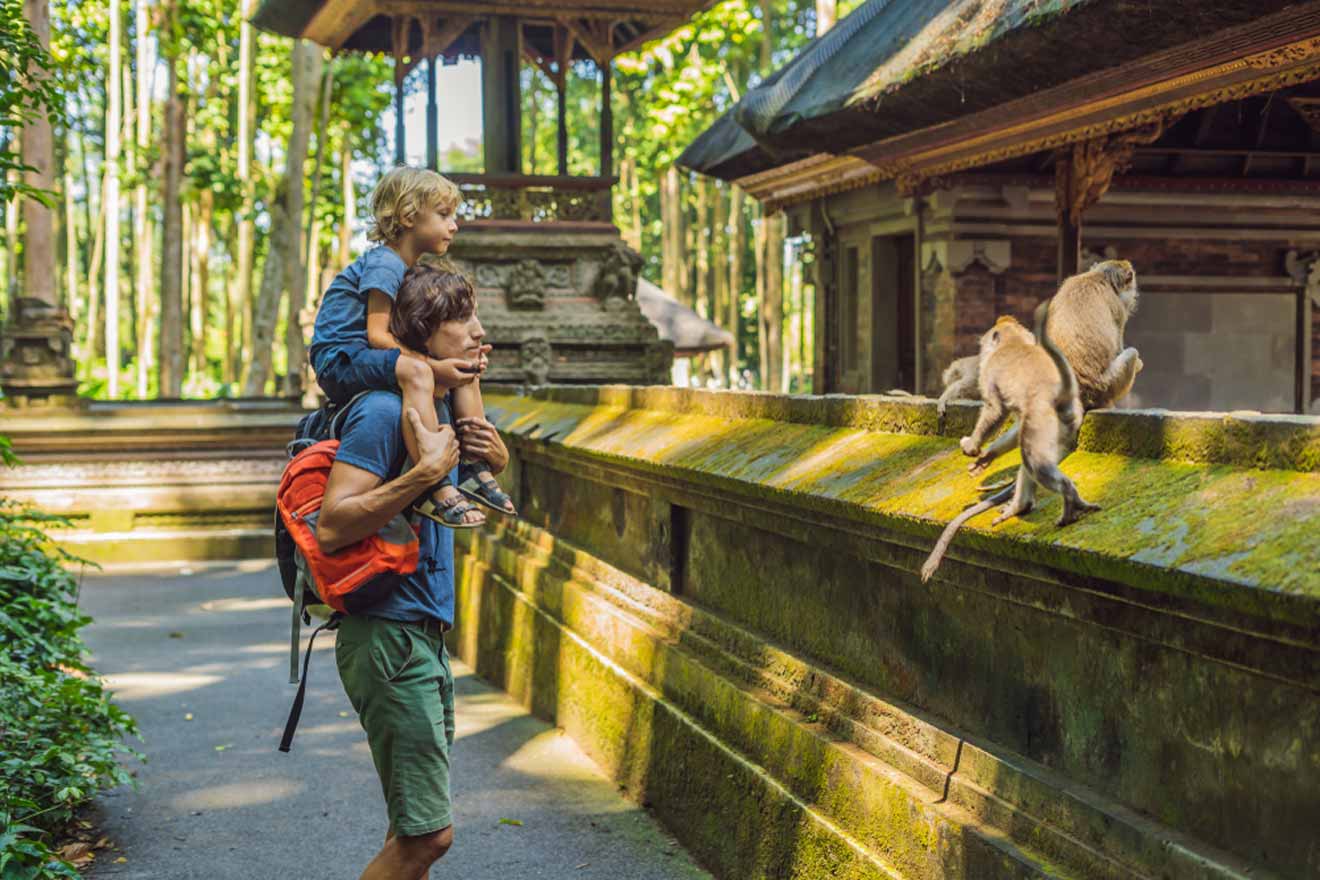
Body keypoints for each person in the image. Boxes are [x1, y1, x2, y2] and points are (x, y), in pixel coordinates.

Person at [316, 263, 508, 880]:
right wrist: (422, 477)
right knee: (428, 838)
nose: (479, 331)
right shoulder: (379, 411)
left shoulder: (438, 411)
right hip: (388, 636)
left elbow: (471, 500)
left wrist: (493, 458)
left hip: (419, 634)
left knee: (412, 830)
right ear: (423, 334)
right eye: (462, 319)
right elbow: (333, 524)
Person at [308, 165, 515, 530]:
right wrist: (432, 368)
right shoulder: (386, 263)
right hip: (341, 359)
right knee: (418, 370)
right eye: (444, 215)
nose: (454, 225)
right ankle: (433, 480)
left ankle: (473, 465)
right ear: (408, 216)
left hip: (366, 356)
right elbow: (377, 336)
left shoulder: (408, 268)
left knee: (465, 368)